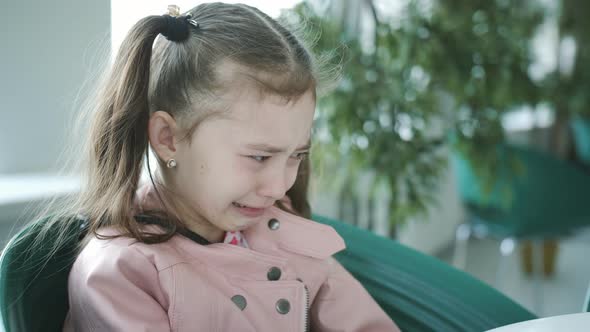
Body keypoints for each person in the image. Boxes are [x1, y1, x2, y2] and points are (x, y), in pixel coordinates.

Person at [62, 2, 400, 331]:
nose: (279, 187)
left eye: (297, 155)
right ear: (168, 138)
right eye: (259, 157)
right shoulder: (120, 276)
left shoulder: (278, 228)